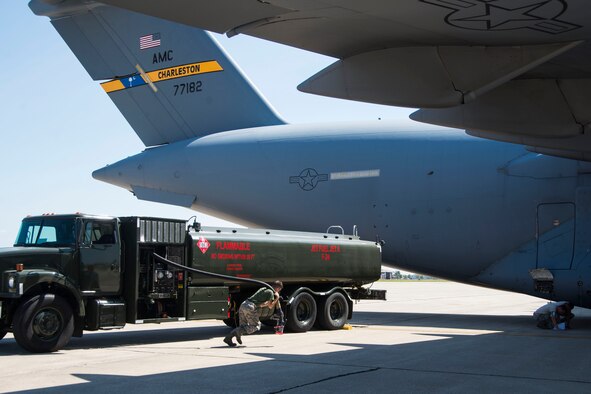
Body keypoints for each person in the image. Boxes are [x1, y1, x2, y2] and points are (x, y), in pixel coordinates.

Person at [224, 280, 283, 346]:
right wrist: (277, 298)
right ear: (278, 288)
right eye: (279, 289)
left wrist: (263, 304)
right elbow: (270, 306)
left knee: (243, 326)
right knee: (256, 326)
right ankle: (230, 336)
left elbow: (261, 304)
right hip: (250, 307)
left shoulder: (264, 289)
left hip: (244, 304)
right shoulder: (270, 293)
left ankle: (234, 338)